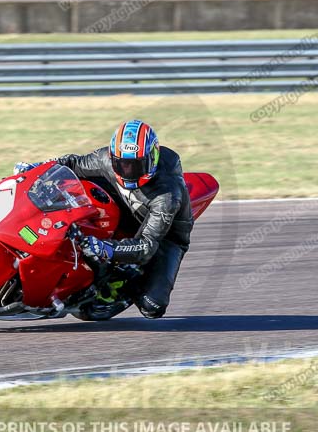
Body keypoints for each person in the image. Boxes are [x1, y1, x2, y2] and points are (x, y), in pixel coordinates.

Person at [15, 120, 193, 319]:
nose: (127, 171)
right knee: (74, 186)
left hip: (165, 236)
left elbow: (146, 246)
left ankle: (122, 281)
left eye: (135, 165)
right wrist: (37, 168)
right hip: (123, 205)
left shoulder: (166, 197)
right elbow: (72, 163)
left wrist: (104, 248)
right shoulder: (106, 159)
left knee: (152, 306)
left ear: (152, 159)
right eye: (121, 164)